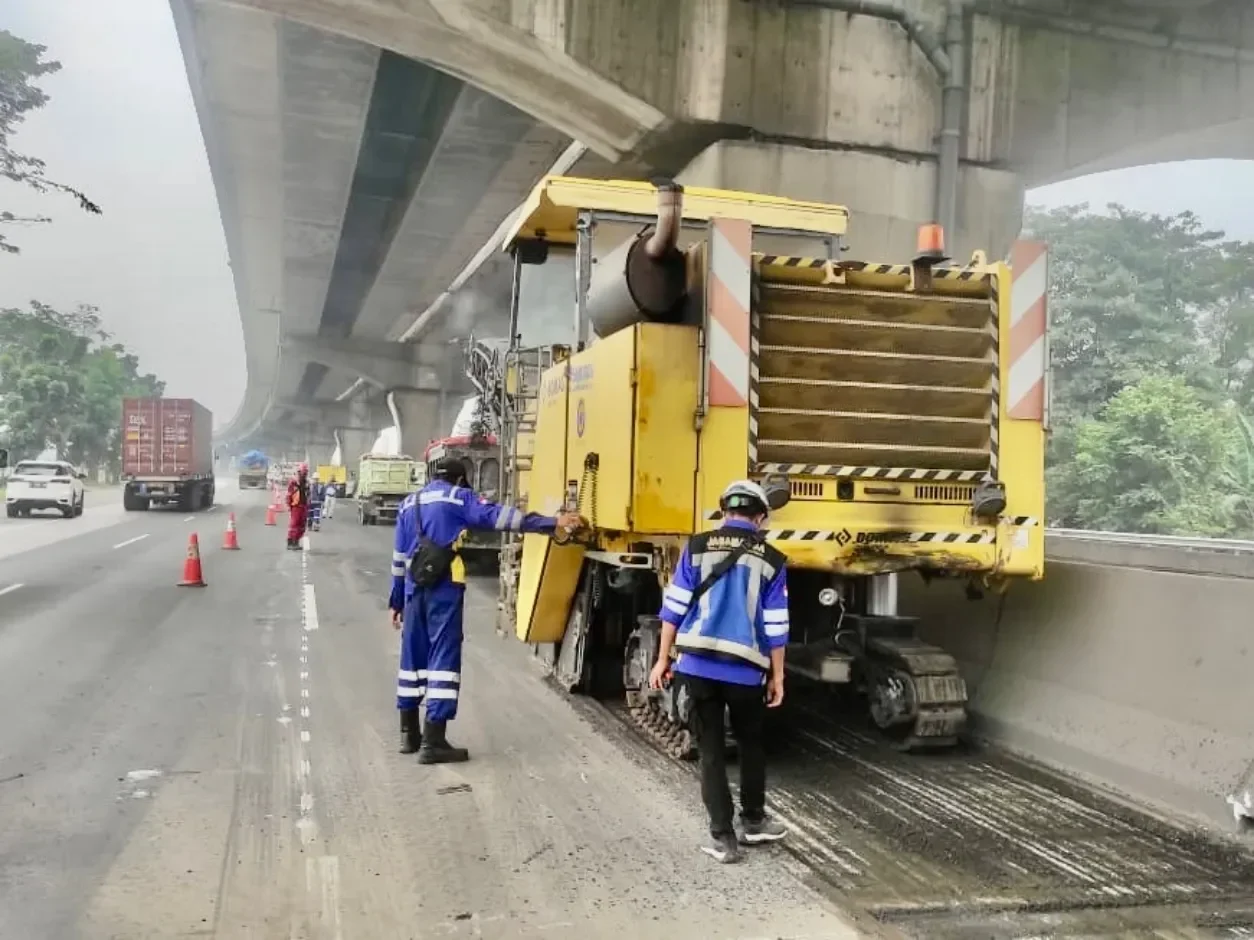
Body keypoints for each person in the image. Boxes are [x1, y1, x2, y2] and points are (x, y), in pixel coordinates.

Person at [389, 456, 585, 763]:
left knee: (412, 656)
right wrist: (551, 523)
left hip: (414, 588)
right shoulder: (458, 497)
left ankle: (408, 734)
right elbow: (500, 517)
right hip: (444, 587)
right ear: (459, 479)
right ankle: (433, 741)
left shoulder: (408, 504)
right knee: (443, 657)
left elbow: (399, 559)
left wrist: (396, 600)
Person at [648, 479, 790, 863]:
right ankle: (754, 822)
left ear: (724, 511)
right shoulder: (773, 559)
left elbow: (673, 607)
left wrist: (662, 658)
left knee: (710, 750)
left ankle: (724, 840)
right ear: (760, 518)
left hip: (697, 666)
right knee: (750, 743)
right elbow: (776, 625)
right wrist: (777, 676)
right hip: (746, 670)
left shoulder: (696, 547)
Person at [286, 463, 310, 550]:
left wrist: (308, 505)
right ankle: (290, 542)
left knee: (302, 525)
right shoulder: (294, 482)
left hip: (304, 506)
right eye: (303, 472)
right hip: (296, 506)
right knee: (294, 524)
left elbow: (308, 494)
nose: (304, 474)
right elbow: (289, 494)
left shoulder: (307, 483)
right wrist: (289, 505)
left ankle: (296, 541)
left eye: (305, 472)